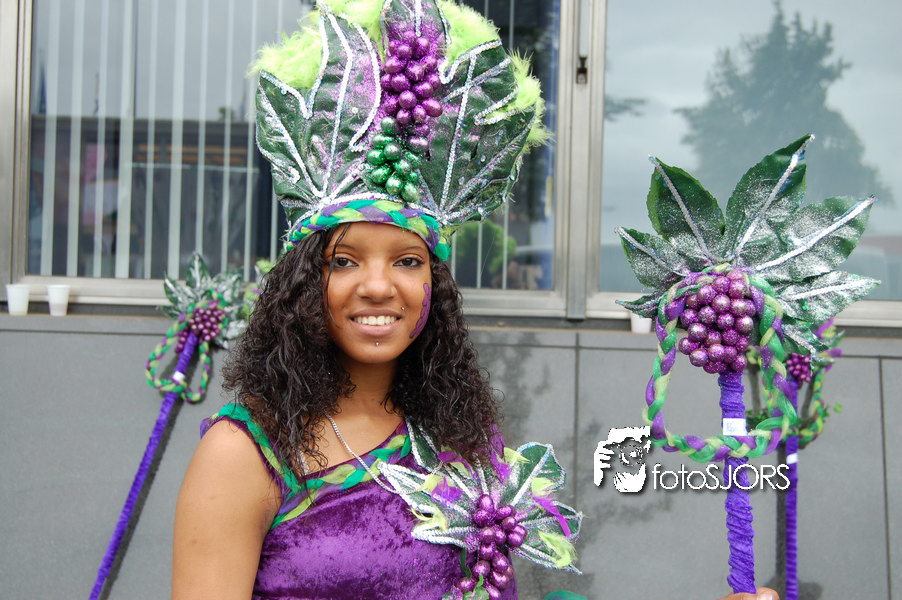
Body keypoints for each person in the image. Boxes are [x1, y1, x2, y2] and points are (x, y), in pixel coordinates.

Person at [171, 1, 780, 599]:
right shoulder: (245, 453)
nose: (379, 286)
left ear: (435, 289)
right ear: (304, 284)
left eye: (407, 261)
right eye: (345, 261)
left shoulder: (459, 436)